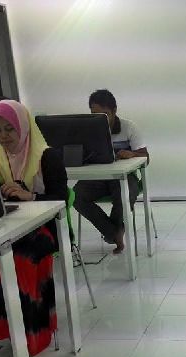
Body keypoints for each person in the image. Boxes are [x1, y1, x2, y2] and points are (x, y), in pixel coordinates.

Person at [0, 99, 68, 356]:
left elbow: (62, 199)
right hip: (7, 226)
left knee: (20, 260)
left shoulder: (47, 156)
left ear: (23, 126)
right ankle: (6, 326)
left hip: (44, 228)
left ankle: (36, 329)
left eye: (10, 129)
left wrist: (29, 196)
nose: (4, 136)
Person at [73, 89, 149, 254]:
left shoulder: (129, 127)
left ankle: (114, 233)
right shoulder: (87, 130)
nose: (99, 119)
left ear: (114, 111)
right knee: (76, 196)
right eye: (94, 115)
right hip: (97, 178)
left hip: (124, 176)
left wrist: (132, 154)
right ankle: (114, 233)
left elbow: (146, 157)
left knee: (125, 193)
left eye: (104, 114)